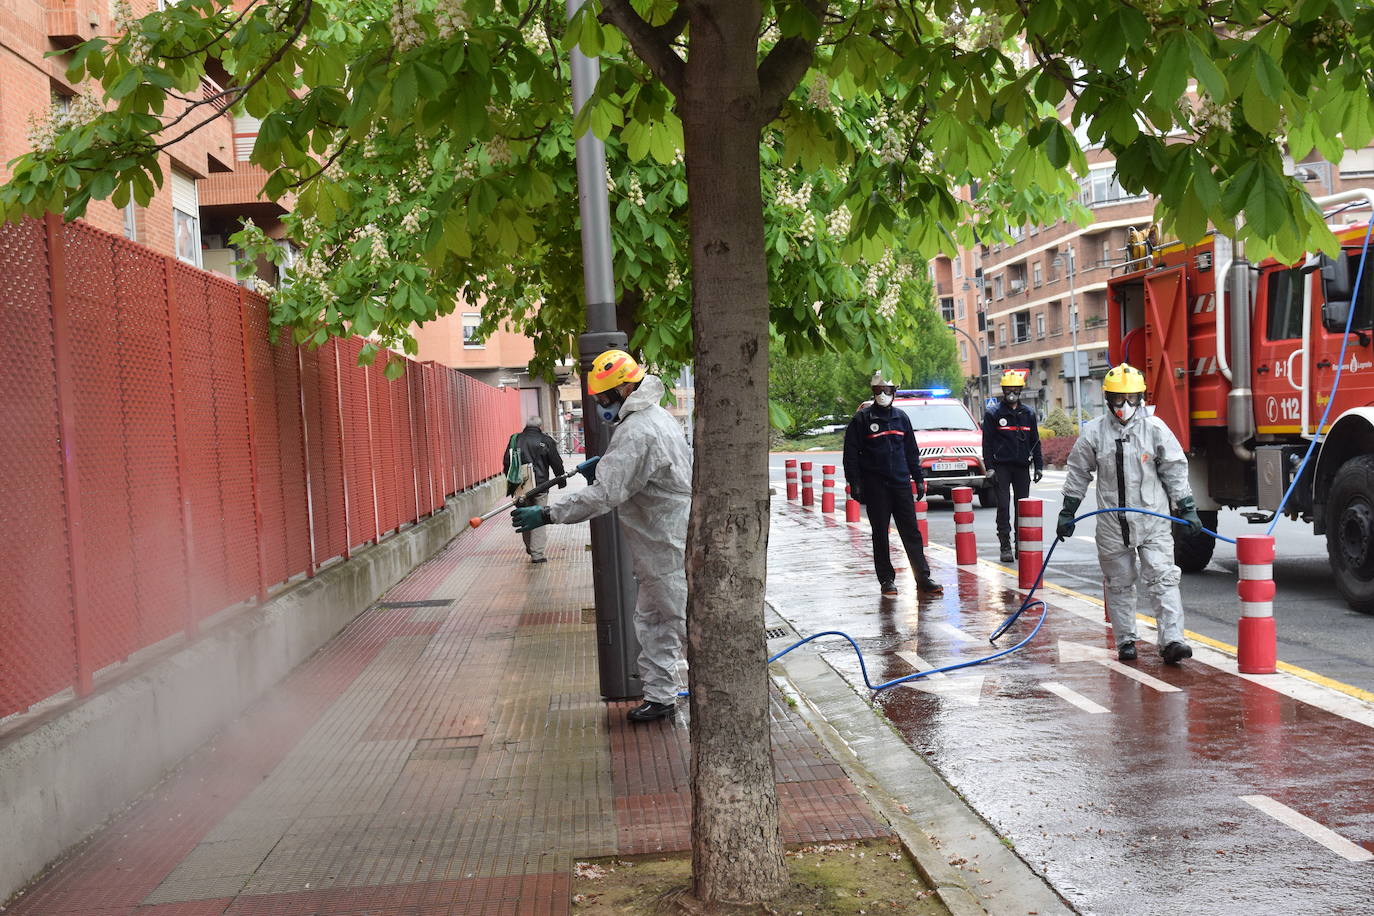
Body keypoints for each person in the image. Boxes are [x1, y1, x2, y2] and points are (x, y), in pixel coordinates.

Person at [511, 349, 691, 723]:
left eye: (603, 398)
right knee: (654, 622)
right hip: (659, 543)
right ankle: (660, 696)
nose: (600, 405)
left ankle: (718, 697)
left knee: (683, 622)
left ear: (625, 388)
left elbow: (605, 495)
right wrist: (609, 463)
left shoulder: (639, 430)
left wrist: (547, 513)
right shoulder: (653, 418)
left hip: (666, 544)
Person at [1055, 363, 1203, 664]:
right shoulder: (1094, 433)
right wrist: (1067, 510)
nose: (1125, 407)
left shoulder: (1155, 429)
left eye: (1132, 399)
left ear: (1141, 398)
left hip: (1153, 520)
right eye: (1119, 400)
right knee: (1119, 583)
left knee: (1163, 579)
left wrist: (1186, 507)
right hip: (1112, 524)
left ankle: (1172, 640)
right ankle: (1125, 642)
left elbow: (1174, 469)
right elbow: (1078, 472)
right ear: (1108, 399)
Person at [843, 371, 944, 598]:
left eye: (887, 390)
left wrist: (918, 479)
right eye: (879, 390)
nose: (883, 394)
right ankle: (887, 580)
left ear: (894, 392)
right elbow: (850, 454)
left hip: (900, 484)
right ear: (873, 391)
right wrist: (855, 483)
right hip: (876, 485)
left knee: (911, 532)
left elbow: (911, 452)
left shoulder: (902, 418)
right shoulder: (862, 420)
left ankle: (923, 577)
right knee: (880, 533)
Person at [982, 369, 1045, 563]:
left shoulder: (1028, 414)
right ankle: (1005, 545)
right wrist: (989, 467)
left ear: (1020, 390)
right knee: (1003, 506)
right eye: (1008, 389)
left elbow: (1035, 441)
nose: (1012, 392)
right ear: (1003, 390)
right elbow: (987, 443)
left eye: (1015, 389)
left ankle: (1021, 544)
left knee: (1022, 506)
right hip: (1001, 467)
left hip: (1022, 467)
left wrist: (1039, 466)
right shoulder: (994, 414)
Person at [501, 415, 566, 563]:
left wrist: (512, 481)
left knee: (524, 515)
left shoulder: (515, 439)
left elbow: (506, 462)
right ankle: (537, 554)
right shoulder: (545, 440)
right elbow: (556, 462)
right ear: (540, 426)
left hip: (520, 486)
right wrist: (561, 479)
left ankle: (531, 547)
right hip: (540, 486)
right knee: (539, 516)